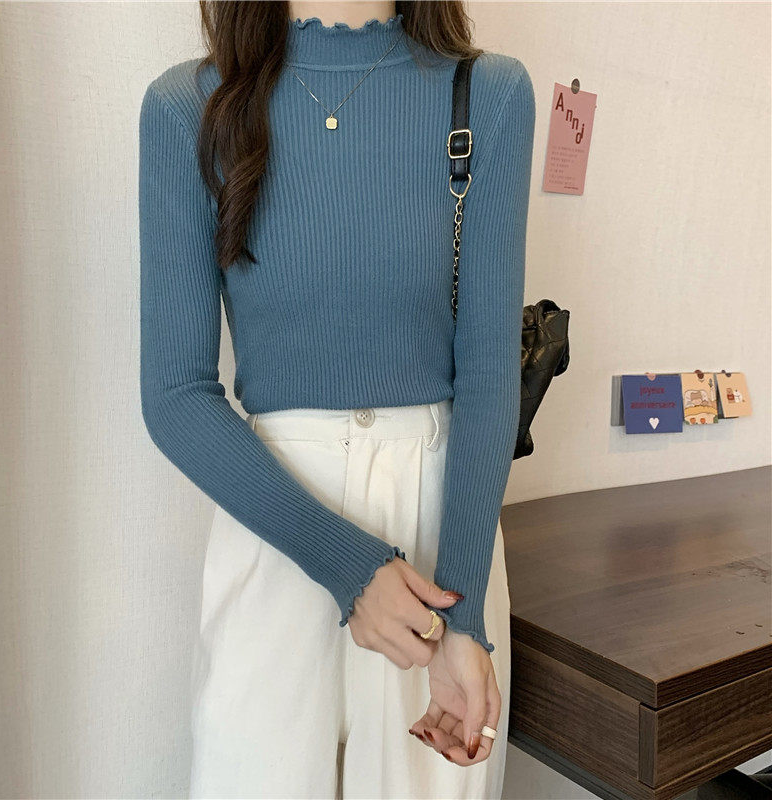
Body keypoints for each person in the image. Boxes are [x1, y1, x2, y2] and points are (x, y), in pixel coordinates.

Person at [138, 1, 535, 797]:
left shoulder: (487, 94)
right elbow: (175, 393)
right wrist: (351, 568)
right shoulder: (190, 107)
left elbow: (490, 375)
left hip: (438, 539)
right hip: (276, 519)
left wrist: (463, 620)